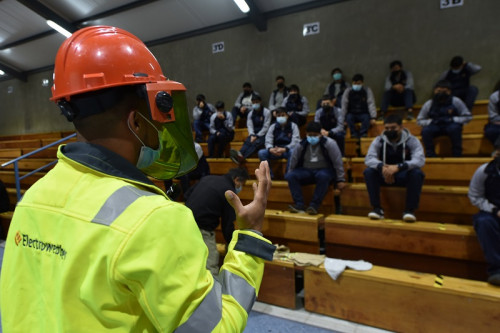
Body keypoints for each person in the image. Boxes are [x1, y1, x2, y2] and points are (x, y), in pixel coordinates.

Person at [0, 26, 275, 332]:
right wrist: (249, 239)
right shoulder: (155, 219)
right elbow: (217, 329)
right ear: (137, 121)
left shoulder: (33, 198)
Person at [185, 168, 249, 276]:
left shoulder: (207, 178)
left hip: (185, 221)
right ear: (236, 179)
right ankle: (212, 292)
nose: (240, 187)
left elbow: (187, 195)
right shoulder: (229, 192)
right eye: (241, 184)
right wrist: (232, 243)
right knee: (211, 265)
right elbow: (227, 224)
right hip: (202, 228)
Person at [364, 114, 425, 222]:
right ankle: (377, 209)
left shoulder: (412, 140)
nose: (389, 130)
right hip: (385, 173)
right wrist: (382, 167)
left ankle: (409, 210)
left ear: (401, 127)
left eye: (393, 128)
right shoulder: (379, 140)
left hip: (403, 174)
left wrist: (399, 167)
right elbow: (369, 158)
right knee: (369, 171)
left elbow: (420, 160)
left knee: (417, 173)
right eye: (387, 128)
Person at [285, 122, 346, 215]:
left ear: (320, 134)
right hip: (306, 170)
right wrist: (290, 173)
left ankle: (314, 206)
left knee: (323, 176)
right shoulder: (301, 144)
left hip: (324, 170)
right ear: (306, 134)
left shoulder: (330, 143)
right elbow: (293, 160)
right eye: (310, 135)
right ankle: (299, 205)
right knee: (290, 176)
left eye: (315, 135)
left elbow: (337, 161)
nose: (312, 137)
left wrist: (340, 179)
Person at [468, 136, 500, 286]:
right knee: (484, 223)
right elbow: (475, 196)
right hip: (491, 211)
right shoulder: (484, 171)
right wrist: (494, 210)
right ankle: (496, 270)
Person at [417, 80, 472, 157]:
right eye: (438, 91)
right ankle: (431, 155)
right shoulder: (429, 103)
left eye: (444, 91)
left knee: (455, 128)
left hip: (450, 125)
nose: (441, 93)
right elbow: (420, 120)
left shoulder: (456, 101)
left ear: (449, 92)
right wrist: (431, 122)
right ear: (434, 91)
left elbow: (467, 116)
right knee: (426, 130)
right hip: (435, 126)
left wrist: (453, 119)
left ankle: (457, 155)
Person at [258, 107, 300, 179]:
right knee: (261, 153)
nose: (281, 117)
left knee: (293, 151)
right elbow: (268, 139)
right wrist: (270, 149)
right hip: (275, 150)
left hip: (287, 150)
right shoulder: (273, 126)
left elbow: (296, 140)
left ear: (287, 116)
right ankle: (270, 176)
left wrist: (285, 148)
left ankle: (288, 175)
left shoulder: (293, 126)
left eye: (283, 115)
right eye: (278, 116)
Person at [230, 94, 272, 164]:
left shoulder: (266, 112)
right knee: (247, 141)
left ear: (260, 102)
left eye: (256, 102)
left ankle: (242, 157)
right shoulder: (250, 113)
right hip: (253, 133)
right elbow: (250, 125)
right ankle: (239, 154)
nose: (255, 104)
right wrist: (252, 134)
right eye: (253, 102)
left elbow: (266, 126)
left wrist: (257, 136)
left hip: (264, 134)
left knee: (256, 143)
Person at [341, 73, 377, 138]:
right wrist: (343, 119)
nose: (356, 85)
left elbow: (371, 103)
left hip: (363, 113)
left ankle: (363, 134)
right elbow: (344, 105)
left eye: (359, 83)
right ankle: (353, 134)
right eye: (355, 83)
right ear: (352, 83)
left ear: (362, 83)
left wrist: (373, 117)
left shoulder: (367, 90)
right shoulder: (348, 91)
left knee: (366, 118)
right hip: (352, 113)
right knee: (349, 118)